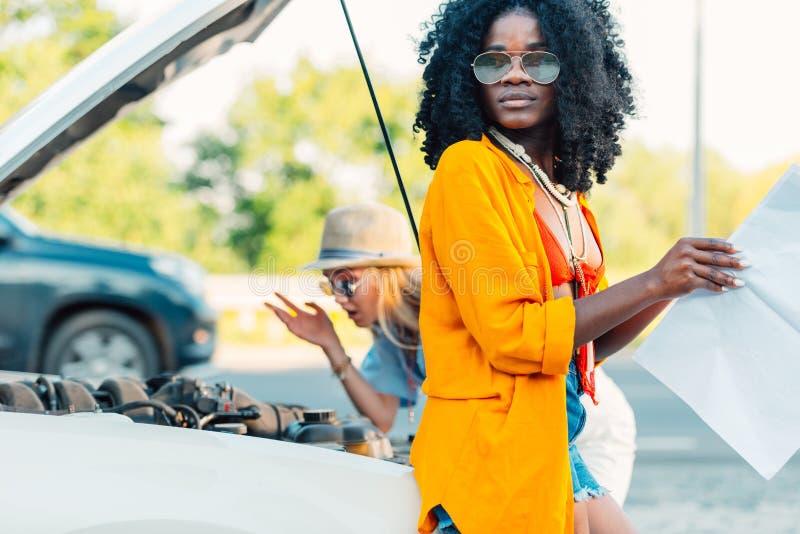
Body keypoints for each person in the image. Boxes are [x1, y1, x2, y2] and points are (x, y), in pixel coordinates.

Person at [409, 2, 749, 533]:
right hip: (493, 457)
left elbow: (583, 348)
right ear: (467, 77)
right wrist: (654, 279)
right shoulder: (468, 170)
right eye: (493, 62)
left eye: (538, 61)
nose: (515, 75)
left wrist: (675, 285)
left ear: (575, 74)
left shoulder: (569, 196)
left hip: (552, 446)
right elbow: (515, 338)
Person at [265, 203, 424, 434]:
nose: (338, 299)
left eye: (347, 282)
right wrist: (330, 343)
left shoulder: (447, 313)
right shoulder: (390, 330)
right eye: (331, 284)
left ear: (386, 276)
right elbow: (380, 418)